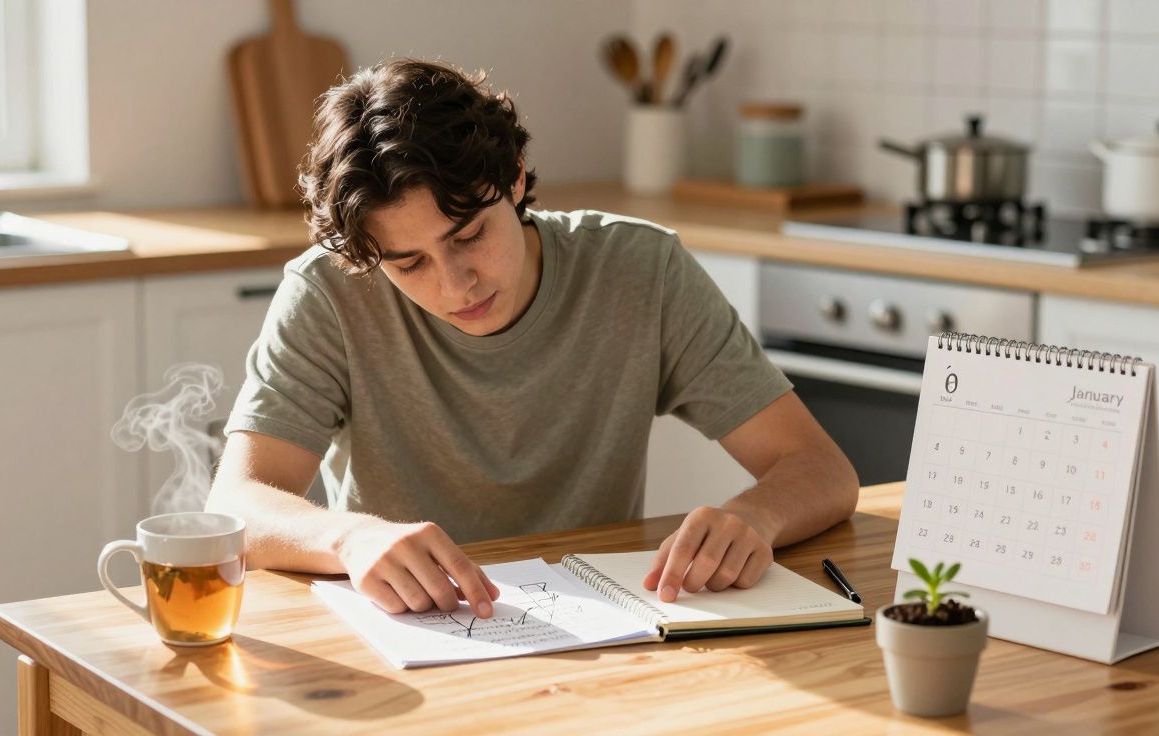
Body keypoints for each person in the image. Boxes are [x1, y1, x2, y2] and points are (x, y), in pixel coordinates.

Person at [205, 58, 858, 621]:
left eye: (469, 236)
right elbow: (237, 503)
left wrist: (756, 516)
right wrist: (349, 539)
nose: (455, 285)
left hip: (610, 625)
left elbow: (821, 468)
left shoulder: (642, 270)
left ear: (515, 178)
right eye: (409, 264)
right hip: (413, 630)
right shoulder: (329, 292)